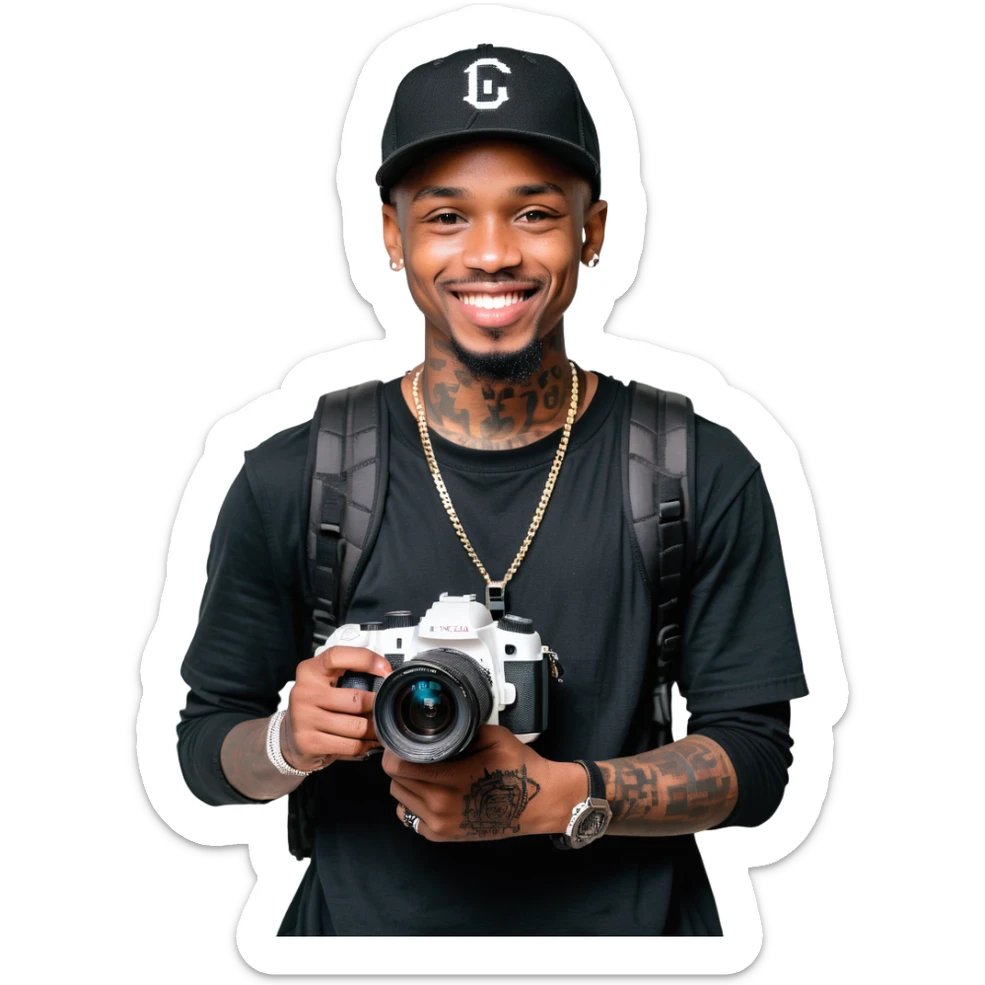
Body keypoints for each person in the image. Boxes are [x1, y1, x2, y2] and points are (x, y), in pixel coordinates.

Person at [176, 42, 809, 938]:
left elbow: (757, 761)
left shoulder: (693, 464)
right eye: (444, 216)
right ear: (390, 236)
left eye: (535, 213)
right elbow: (206, 751)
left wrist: (565, 796)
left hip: (635, 953)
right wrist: (288, 738)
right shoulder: (296, 474)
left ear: (592, 230)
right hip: (356, 953)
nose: (490, 254)